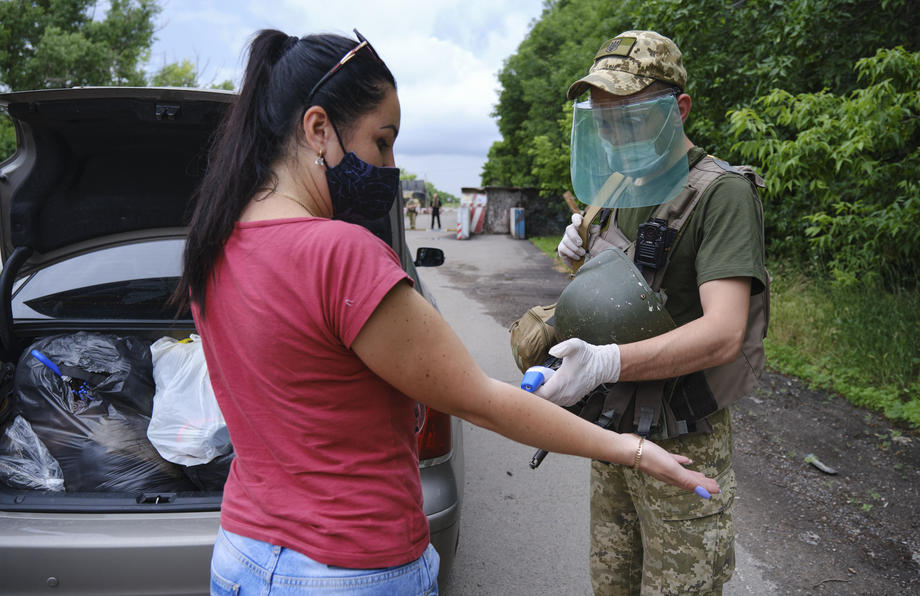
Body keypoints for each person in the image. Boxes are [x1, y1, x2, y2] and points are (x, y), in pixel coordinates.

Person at [175, 28, 720, 596]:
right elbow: (479, 400)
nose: (389, 165)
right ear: (318, 129)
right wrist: (633, 450)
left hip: (241, 556)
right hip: (349, 566)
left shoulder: (214, 244)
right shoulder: (341, 254)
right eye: (382, 141)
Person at [544, 31, 768, 595]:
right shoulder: (615, 186)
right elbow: (611, 291)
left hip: (683, 436)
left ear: (678, 109)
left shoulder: (721, 193)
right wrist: (572, 253)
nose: (614, 133)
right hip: (612, 430)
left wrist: (603, 363)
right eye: (604, 118)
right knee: (612, 583)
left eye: (630, 115)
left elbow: (722, 335)